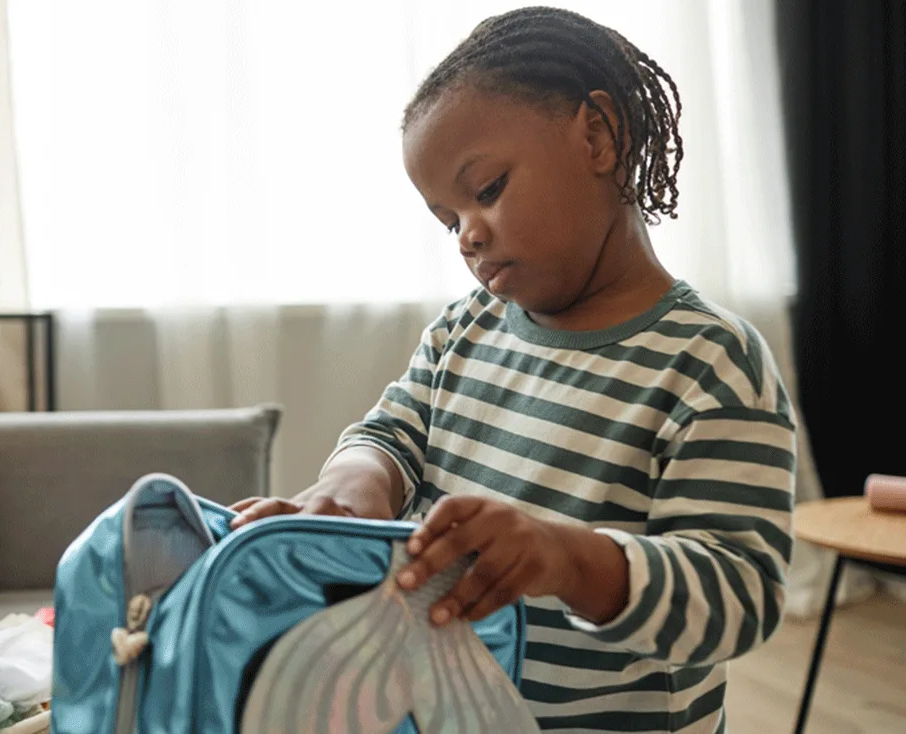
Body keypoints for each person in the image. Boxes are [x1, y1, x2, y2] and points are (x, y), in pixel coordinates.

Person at [229, 6, 796, 733]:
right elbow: (394, 434)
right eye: (447, 219)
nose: (467, 234)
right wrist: (348, 491)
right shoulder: (463, 329)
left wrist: (565, 558)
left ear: (598, 134)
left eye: (487, 189)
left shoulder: (711, 362)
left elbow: (737, 596)